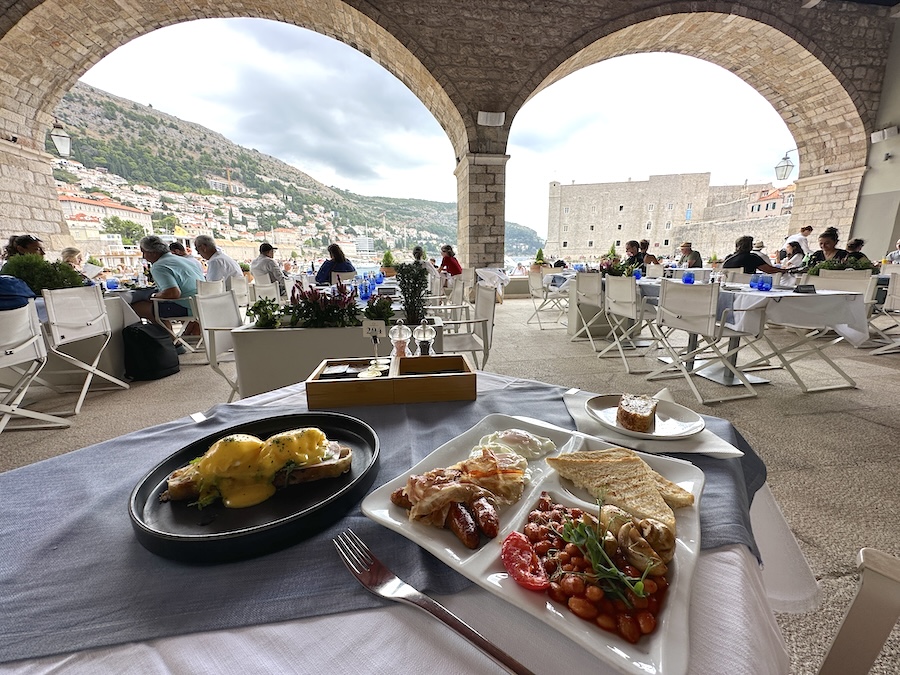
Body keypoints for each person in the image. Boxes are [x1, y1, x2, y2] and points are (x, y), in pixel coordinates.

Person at [131, 235, 205, 327]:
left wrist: (153, 296)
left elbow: (173, 293)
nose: (144, 257)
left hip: (190, 307)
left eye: (144, 252)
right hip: (203, 304)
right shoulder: (186, 260)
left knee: (139, 307)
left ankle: (168, 339)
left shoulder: (159, 266)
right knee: (156, 306)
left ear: (152, 253)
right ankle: (175, 337)